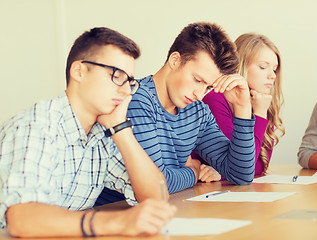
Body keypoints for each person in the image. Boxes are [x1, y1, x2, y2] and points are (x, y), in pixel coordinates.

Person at [0, 27, 176, 238]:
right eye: (116, 75)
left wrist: (121, 129)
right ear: (79, 72)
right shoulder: (35, 126)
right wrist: (117, 222)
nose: (127, 90)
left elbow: (157, 196)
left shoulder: (101, 134)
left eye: (130, 81)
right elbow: (21, 220)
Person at [95, 22, 256, 204]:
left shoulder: (198, 112)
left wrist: (242, 108)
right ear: (175, 60)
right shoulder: (136, 99)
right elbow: (158, 183)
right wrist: (195, 171)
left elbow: (241, 175)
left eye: (209, 86)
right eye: (197, 80)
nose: (200, 94)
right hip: (113, 214)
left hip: (159, 213)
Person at [195, 33, 285, 179]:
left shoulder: (260, 101)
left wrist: (260, 111)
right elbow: (241, 167)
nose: (272, 75)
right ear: (241, 66)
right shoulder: (216, 99)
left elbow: (260, 166)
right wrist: (260, 114)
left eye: (274, 69)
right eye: (263, 67)